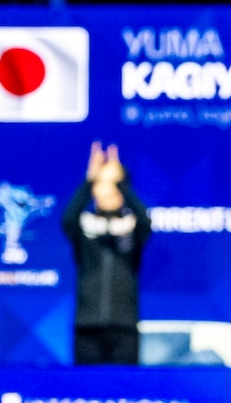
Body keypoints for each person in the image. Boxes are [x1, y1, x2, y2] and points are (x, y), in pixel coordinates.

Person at [62, 141, 152, 365]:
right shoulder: (84, 226)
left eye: (113, 184)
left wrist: (120, 182)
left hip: (124, 328)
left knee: (124, 395)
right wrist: (89, 179)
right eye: (102, 184)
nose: (108, 189)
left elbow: (145, 221)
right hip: (87, 328)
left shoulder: (132, 226)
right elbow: (68, 219)